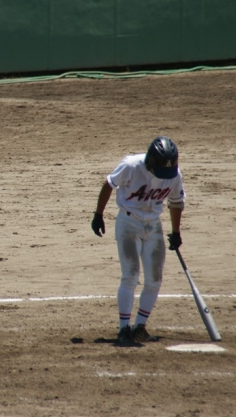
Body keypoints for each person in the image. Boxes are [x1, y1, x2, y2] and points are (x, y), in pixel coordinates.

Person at [91, 136, 185, 345]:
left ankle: (140, 327)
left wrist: (176, 231)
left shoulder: (174, 174)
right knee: (130, 275)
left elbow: (176, 202)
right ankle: (124, 328)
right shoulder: (131, 166)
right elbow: (109, 184)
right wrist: (98, 214)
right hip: (128, 223)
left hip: (153, 225)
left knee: (154, 279)